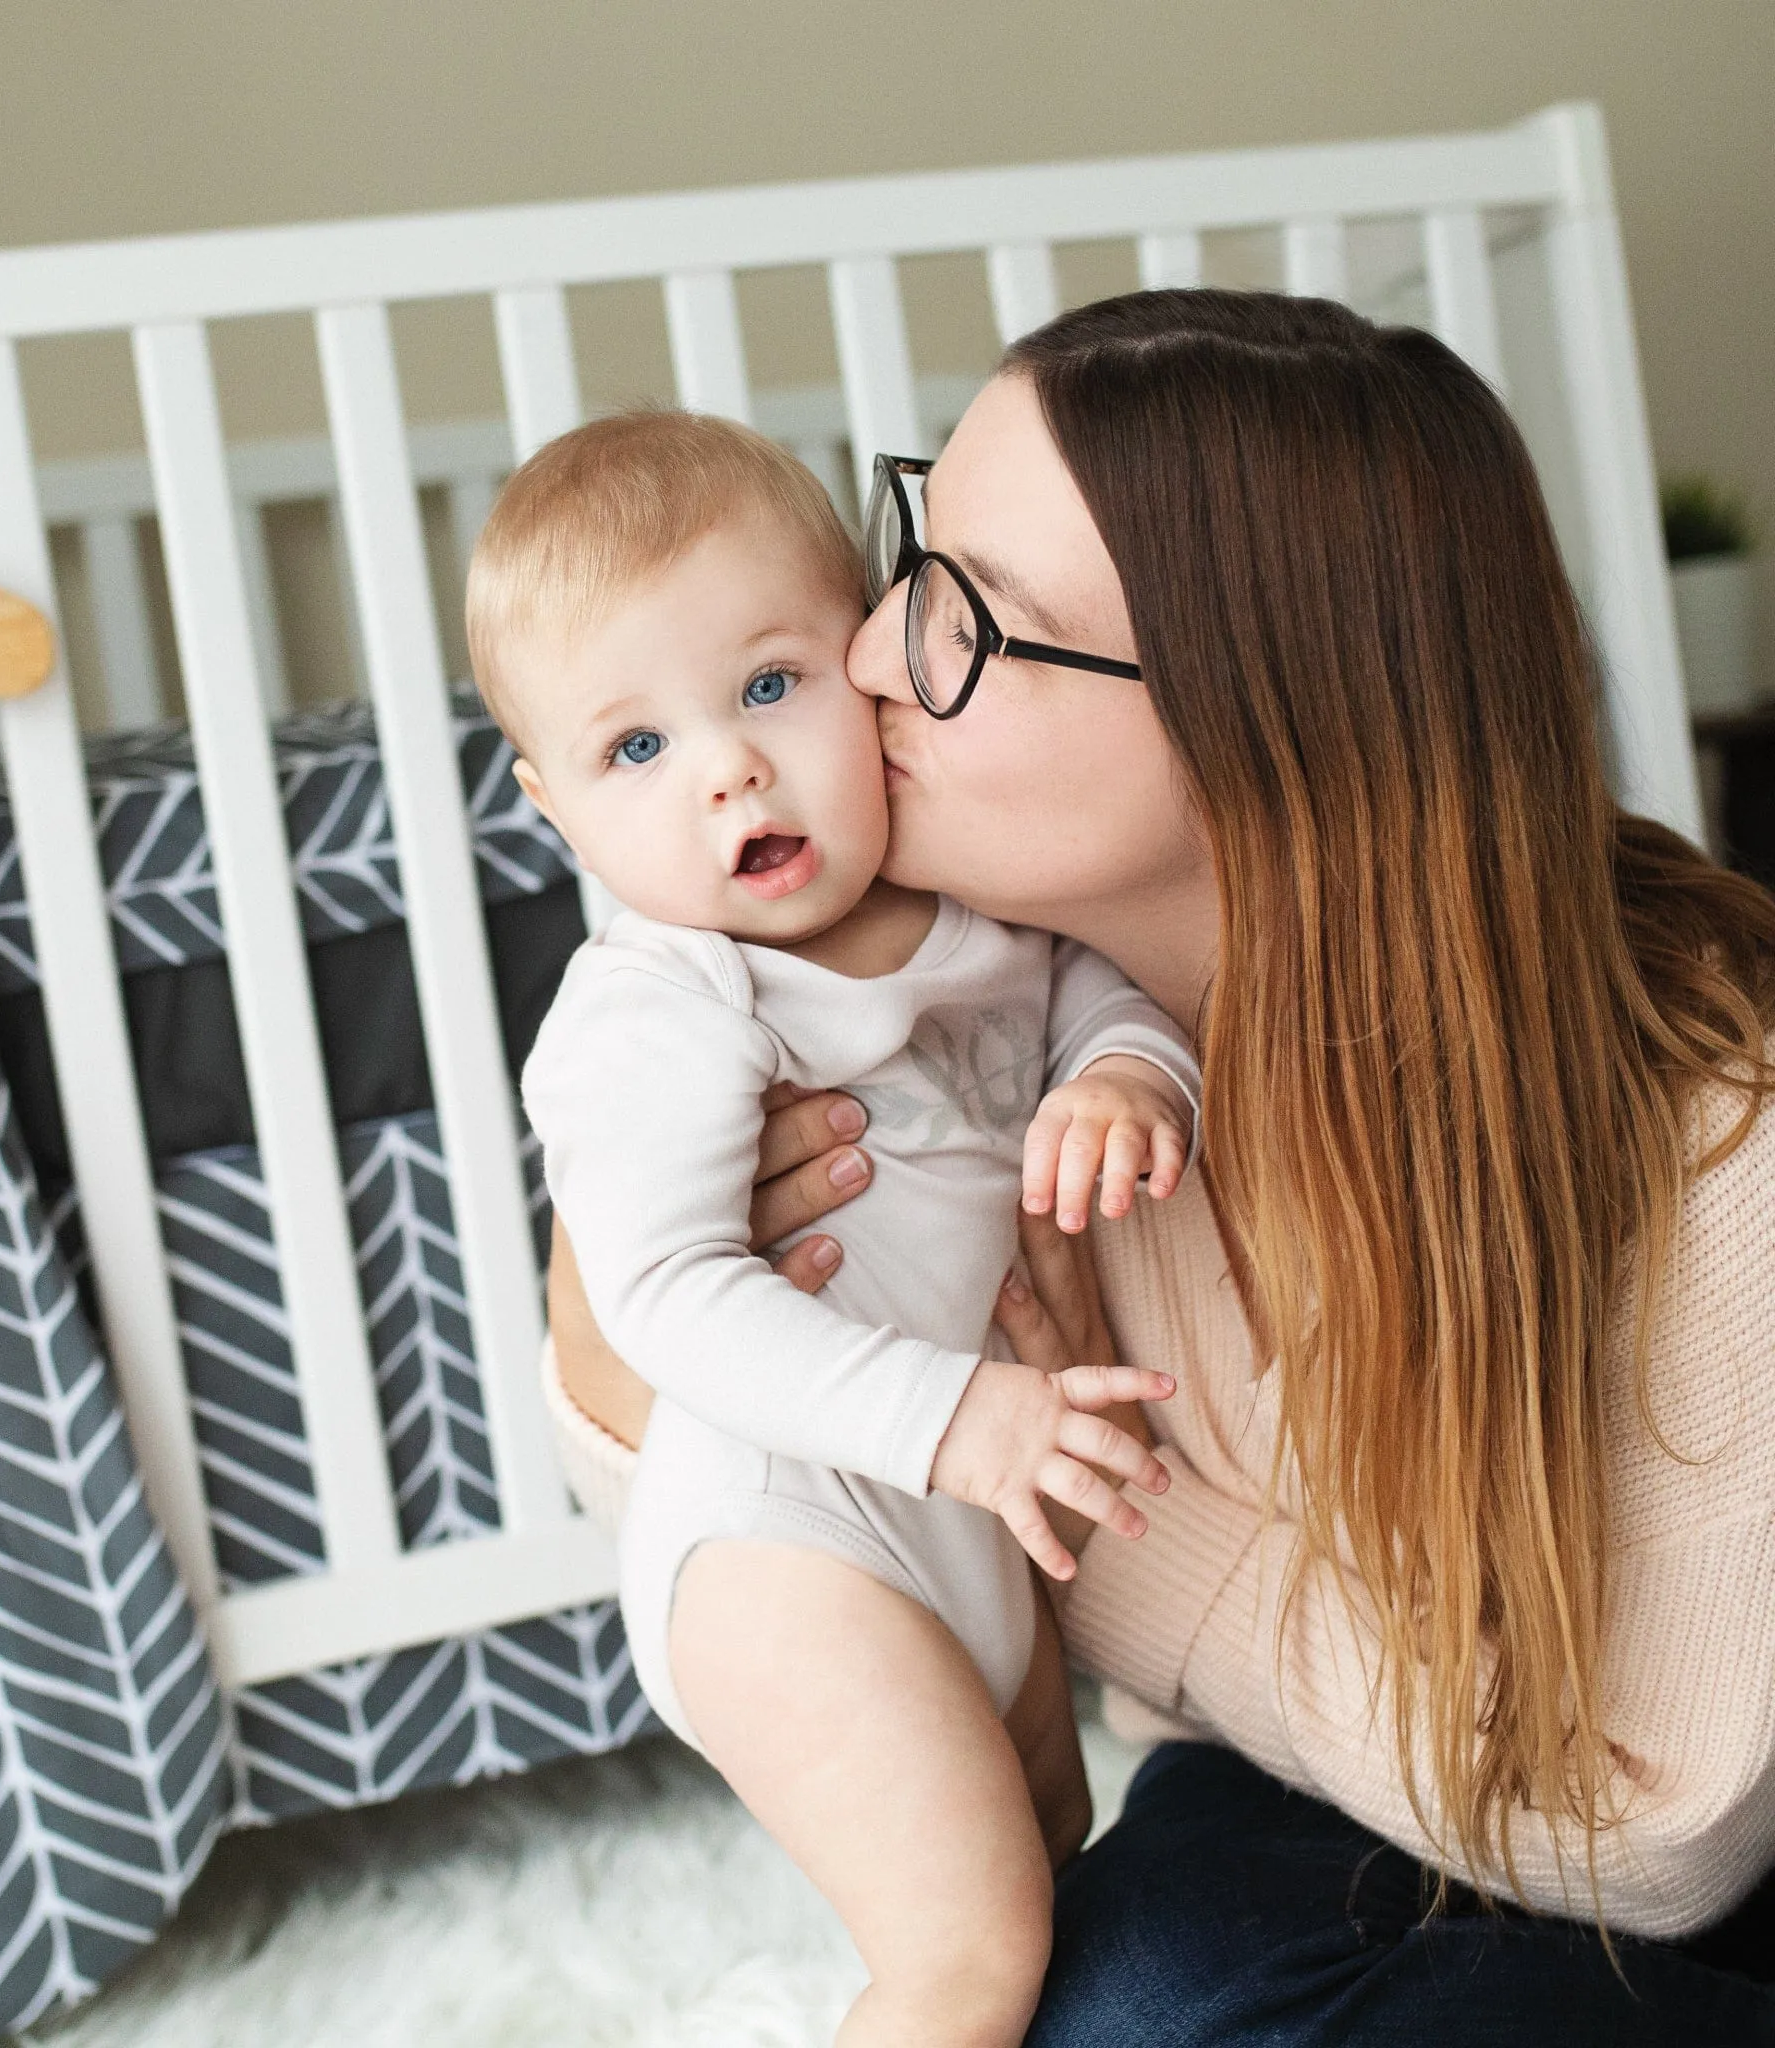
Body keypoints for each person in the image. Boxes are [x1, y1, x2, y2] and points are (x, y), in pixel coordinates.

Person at [542, 294, 1775, 2043]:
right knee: (1125, 1989)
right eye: (915, 557)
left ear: (1262, 731)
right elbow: (752, 1508)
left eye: (977, 619)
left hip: (1674, 1837)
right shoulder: (973, 1010)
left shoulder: (1722, 1136)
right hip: (1301, 1754)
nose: (873, 655)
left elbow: (1657, 1830)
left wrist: (1111, 1539)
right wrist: (622, 1290)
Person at [469, 409, 1204, 2047]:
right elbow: (663, 1297)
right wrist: (961, 1419)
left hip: (970, 1521)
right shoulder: (665, 998)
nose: (728, 763)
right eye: (635, 749)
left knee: (1055, 1866)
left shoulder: (985, 917)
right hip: (787, 1540)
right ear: (554, 807)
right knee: (966, 1948)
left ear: (867, 667)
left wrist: (1126, 1090)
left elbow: (1114, 1007)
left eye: (767, 687)